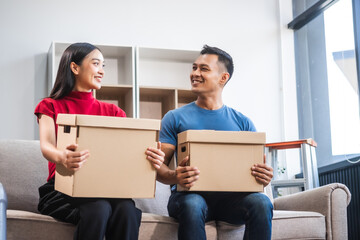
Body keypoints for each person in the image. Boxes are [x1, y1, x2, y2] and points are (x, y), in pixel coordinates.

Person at [34, 42, 165, 240]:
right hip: (63, 189)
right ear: (75, 67)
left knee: (127, 210)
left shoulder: (114, 112)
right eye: (96, 64)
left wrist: (151, 158)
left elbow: (127, 155)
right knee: (99, 208)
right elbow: (47, 146)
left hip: (107, 187)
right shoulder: (50, 106)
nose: (102, 71)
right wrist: (62, 156)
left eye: (103, 66)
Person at [154, 45, 274, 240]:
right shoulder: (174, 118)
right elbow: (158, 168)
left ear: (223, 78)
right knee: (192, 204)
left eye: (203, 69)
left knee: (262, 202)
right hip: (188, 197)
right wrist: (175, 176)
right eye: (194, 68)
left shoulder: (242, 122)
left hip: (232, 201)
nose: (195, 73)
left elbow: (258, 170)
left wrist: (264, 176)